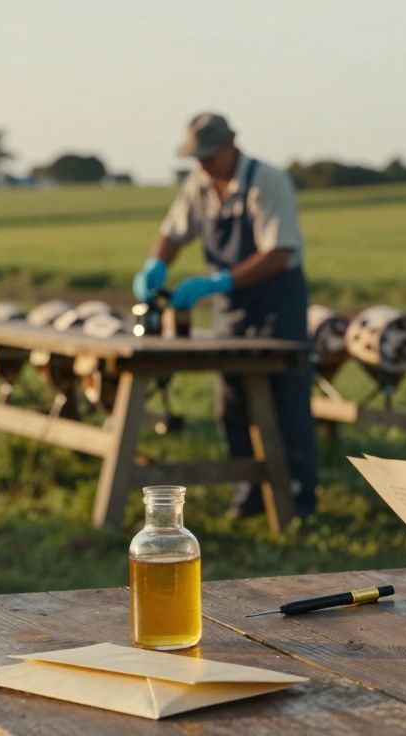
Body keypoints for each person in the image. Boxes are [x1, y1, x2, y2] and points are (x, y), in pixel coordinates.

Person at [132, 112, 317, 518]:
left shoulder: (267, 181)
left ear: (232, 147)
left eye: (209, 156)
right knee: (232, 399)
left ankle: (298, 497)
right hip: (231, 308)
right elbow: (173, 233)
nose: (202, 165)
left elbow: (280, 250)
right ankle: (249, 492)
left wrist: (219, 283)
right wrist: (155, 265)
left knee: (284, 397)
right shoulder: (198, 184)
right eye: (196, 157)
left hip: (275, 302)